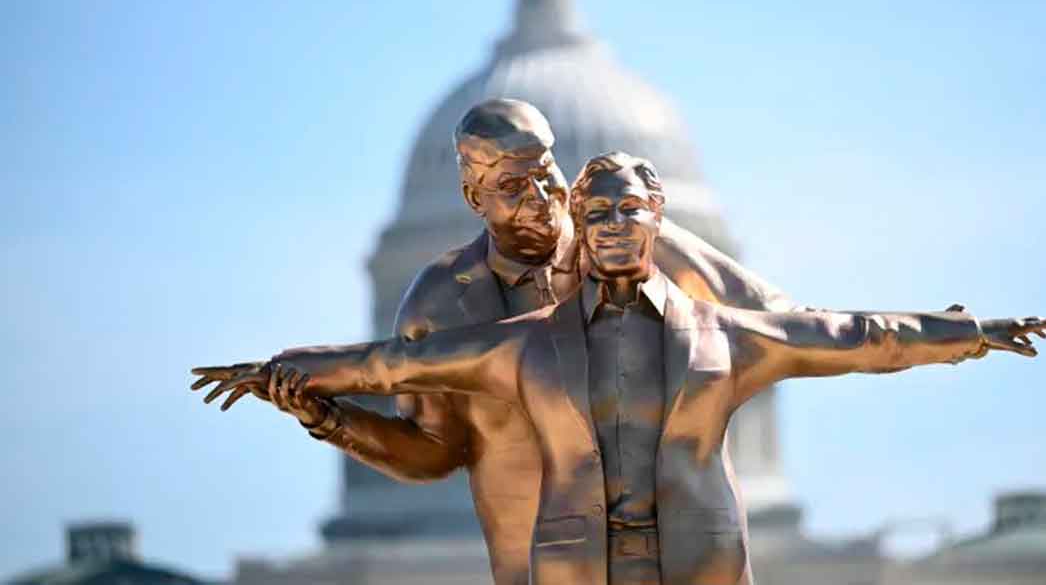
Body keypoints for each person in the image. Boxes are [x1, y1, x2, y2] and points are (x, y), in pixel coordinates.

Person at [195, 151, 1046, 585]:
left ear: (660, 219)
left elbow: (856, 332)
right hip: (575, 564)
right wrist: (284, 371)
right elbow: (395, 361)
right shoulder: (526, 341)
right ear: (575, 219)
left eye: (629, 209)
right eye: (594, 209)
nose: (610, 223)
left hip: (699, 559)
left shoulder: (726, 334)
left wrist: (968, 330)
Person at [193, 100, 800, 585]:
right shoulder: (438, 303)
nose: (541, 200)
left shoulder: (636, 246)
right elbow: (434, 450)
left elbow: (787, 327)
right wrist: (325, 418)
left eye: (547, 176)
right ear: (472, 197)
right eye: (514, 186)